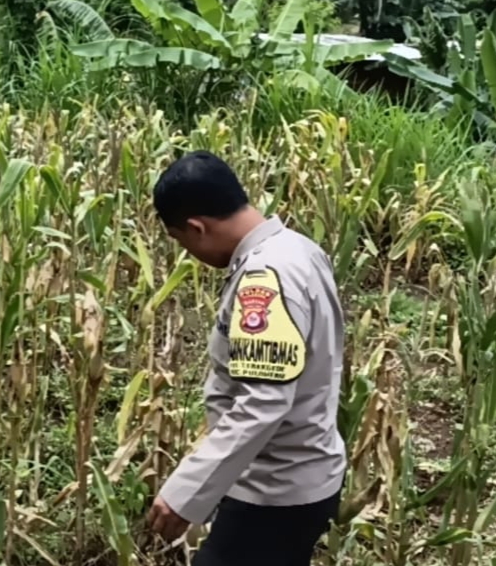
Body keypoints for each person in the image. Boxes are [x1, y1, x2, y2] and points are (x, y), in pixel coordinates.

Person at [146, 150, 347, 566]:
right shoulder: (299, 249)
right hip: (302, 475)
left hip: (276, 492)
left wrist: (187, 490)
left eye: (182, 240)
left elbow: (263, 401)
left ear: (197, 227)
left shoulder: (265, 278)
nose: (188, 252)